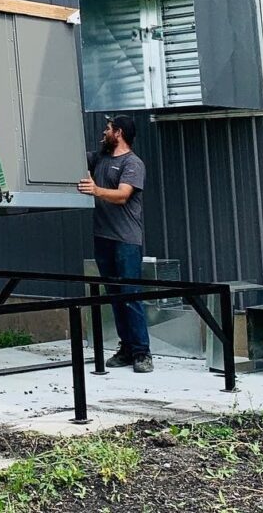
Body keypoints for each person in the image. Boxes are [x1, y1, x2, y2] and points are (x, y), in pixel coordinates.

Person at [77, 113, 152, 374]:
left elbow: (122, 195)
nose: (104, 132)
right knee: (115, 296)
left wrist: (96, 190)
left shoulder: (133, 163)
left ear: (118, 132)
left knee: (130, 295)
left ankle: (142, 352)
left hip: (126, 241)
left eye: (108, 128)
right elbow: (72, 156)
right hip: (103, 239)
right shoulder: (99, 158)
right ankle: (127, 349)